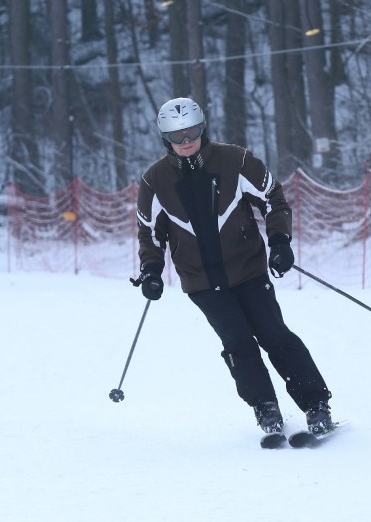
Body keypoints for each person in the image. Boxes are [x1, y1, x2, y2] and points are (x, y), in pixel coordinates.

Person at [133, 97, 334, 437]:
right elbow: (150, 232)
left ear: (203, 128)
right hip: (201, 282)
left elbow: (273, 199)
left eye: (192, 132)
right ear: (164, 139)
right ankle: (265, 408)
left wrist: (280, 241)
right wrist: (151, 270)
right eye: (176, 136)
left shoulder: (235, 160)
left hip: (249, 270)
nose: (186, 142)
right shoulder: (155, 181)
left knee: (275, 335)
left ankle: (316, 405)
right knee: (238, 344)